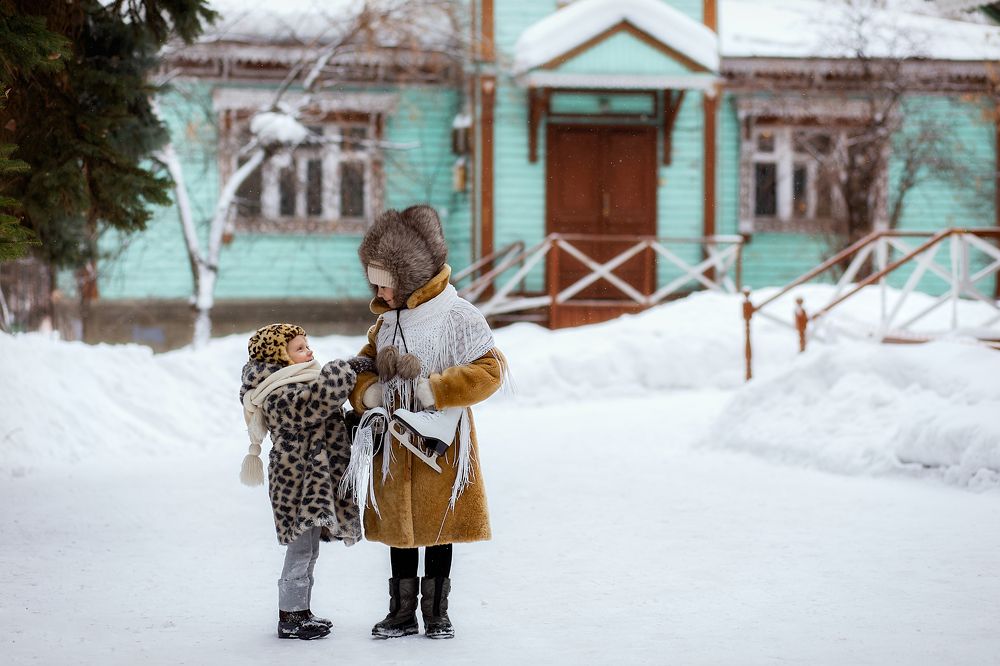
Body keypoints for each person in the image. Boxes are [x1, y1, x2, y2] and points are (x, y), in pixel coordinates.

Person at [345, 205, 507, 640]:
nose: (378, 290)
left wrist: (439, 389)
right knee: (400, 528)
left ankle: (436, 613)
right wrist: (367, 393)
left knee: (438, 526)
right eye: (373, 280)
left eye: (386, 281)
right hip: (395, 441)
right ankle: (401, 613)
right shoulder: (386, 321)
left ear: (412, 275)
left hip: (440, 439)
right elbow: (362, 366)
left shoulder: (458, 316)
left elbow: (489, 371)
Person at [239, 323, 369, 640]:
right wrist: (346, 369)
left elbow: (327, 419)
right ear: (280, 358)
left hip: (315, 480)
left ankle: (302, 610)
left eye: (306, 345)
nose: (308, 351)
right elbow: (314, 406)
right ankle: (290, 618)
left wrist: (357, 421)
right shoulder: (275, 391)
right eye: (299, 348)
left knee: (310, 551)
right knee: (299, 551)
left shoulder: (300, 380)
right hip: (297, 483)